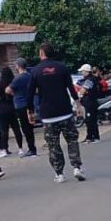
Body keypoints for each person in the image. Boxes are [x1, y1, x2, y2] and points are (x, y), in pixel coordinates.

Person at [25, 43, 86, 183]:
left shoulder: (35, 71)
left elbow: (29, 94)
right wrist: (78, 105)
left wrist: (30, 112)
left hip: (48, 115)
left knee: (53, 144)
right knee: (72, 140)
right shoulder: (62, 67)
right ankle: (77, 167)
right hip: (64, 111)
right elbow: (71, 88)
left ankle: (59, 173)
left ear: (41, 53)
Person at [8, 58, 38, 157]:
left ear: (18, 66)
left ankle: (31, 149)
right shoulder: (30, 76)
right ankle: (32, 147)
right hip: (30, 104)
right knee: (30, 126)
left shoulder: (18, 78)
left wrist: (14, 93)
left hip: (20, 105)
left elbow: (8, 90)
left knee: (25, 128)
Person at [0, 66, 21, 157]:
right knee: (16, 128)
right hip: (13, 106)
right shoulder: (13, 81)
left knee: (4, 130)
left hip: (2, 107)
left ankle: (4, 149)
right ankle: (20, 148)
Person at [77, 63, 102, 142]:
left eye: (82, 71)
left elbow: (82, 91)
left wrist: (81, 90)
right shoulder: (91, 79)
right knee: (92, 120)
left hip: (90, 103)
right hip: (90, 102)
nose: (81, 73)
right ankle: (93, 137)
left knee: (90, 120)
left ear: (86, 71)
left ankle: (91, 137)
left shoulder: (89, 80)